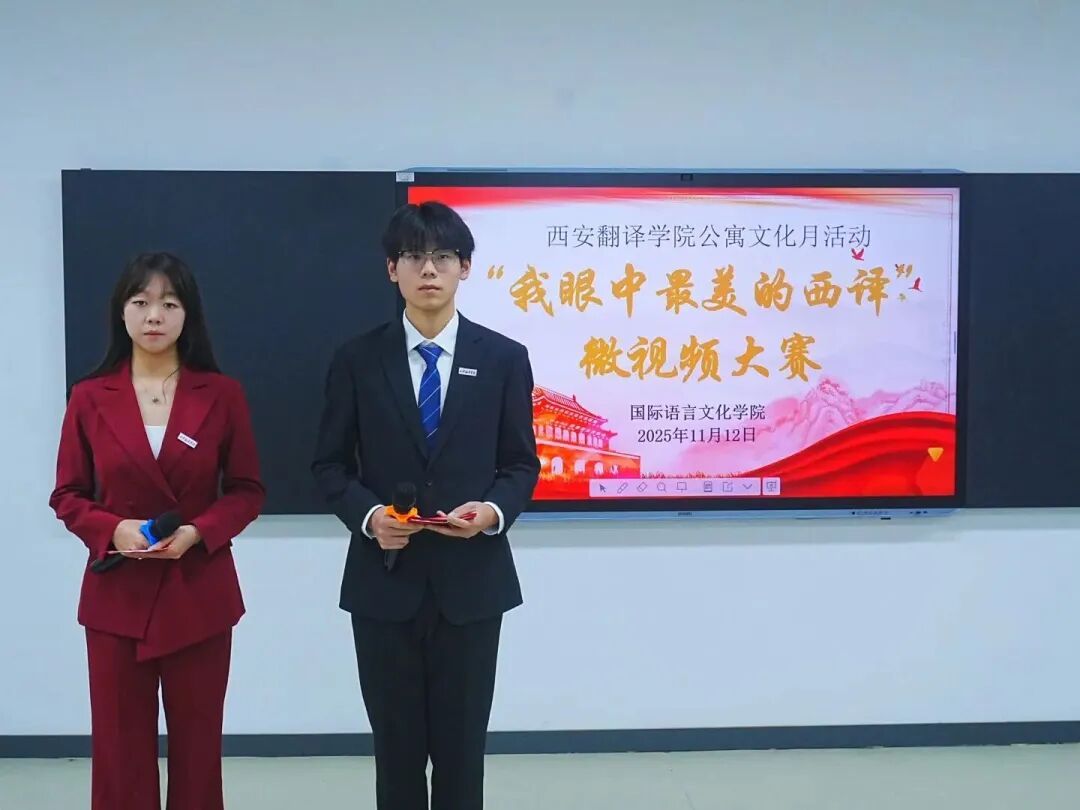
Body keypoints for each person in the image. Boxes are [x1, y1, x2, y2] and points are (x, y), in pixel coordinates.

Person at [312, 201, 540, 810]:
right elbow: (329, 466)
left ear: (466, 267)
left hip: (472, 586)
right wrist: (370, 519)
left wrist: (491, 513)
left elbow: (521, 465)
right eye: (414, 257)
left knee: (462, 755)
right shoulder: (358, 360)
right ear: (392, 269)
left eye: (443, 256)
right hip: (384, 584)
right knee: (397, 755)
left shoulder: (503, 358)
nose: (429, 270)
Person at [49, 252, 265, 810]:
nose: (154, 316)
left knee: (198, 754)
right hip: (117, 597)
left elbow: (247, 490)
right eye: (141, 301)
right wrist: (113, 529)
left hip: (199, 593)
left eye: (169, 303)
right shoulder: (89, 396)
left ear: (188, 314)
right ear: (121, 312)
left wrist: (197, 531)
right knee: (119, 757)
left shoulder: (221, 393)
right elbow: (67, 494)